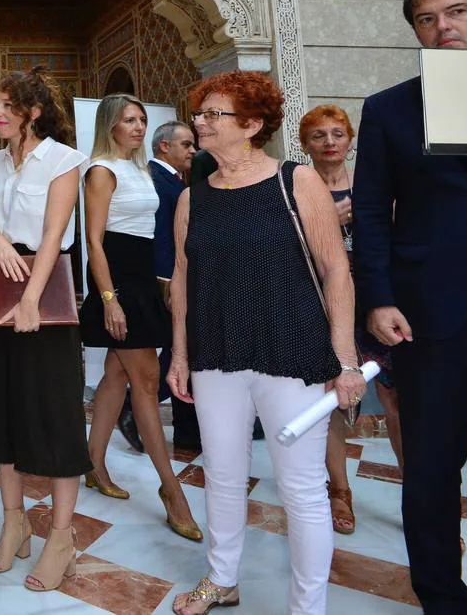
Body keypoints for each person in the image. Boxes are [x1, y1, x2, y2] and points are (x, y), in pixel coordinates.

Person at [167, 71, 365, 615]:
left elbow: (336, 272)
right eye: (200, 113)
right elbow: (184, 280)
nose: (201, 123)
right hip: (216, 353)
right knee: (223, 475)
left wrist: (345, 360)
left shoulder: (296, 182)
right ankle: (221, 579)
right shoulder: (192, 200)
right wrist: (181, 354)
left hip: (293, 349)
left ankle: (308, 607)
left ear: (252, 124)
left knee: (301, 489)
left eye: (214, 115)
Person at [353, 0, 467, 613]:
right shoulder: (389, 109)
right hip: (436, 312)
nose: (445, 28)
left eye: (458, 12)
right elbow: (374, 214)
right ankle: (442, 598)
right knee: (434, 466)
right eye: (428, 20)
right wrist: (379, 297)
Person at [0, 68, 89, 592]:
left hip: (45, 289)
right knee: (0, 408)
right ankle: (14, 520)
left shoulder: (63, 160)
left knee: (56, 411)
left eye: (5, 105)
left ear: (32, 112)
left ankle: (61, 536)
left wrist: (33, 301)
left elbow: (53, 235)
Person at [78, 96, 201, 542]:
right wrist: (109, 300)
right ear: (110, 125)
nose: (137, 126)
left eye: (142, 120)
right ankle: (172, 491)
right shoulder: (101, 170)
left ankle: (92, 463)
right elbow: (94, 242)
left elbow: (152, 229)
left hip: (144, 279)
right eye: (129, 120)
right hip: (120, 282)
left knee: (116, 376)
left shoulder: (142, 169)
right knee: (146, 382)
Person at [300, 104, 401, 537]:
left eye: (337, 134)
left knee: (398, 399)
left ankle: (420, 495)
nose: (329, 143)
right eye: (319, 135)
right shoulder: (297, 191)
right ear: (305, 144)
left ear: (350, 139)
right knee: (333, 401)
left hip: (377, 301)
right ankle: (340, 491)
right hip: (322, 303)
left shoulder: (373, 188)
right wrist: (324, 222)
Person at [149, 120, 201, 453]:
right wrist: (168, 284)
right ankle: (134, 401)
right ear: (164, 146)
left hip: (176, 280)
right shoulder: (160, 183)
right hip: (169, 282)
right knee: (179, 349)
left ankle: (187, 429)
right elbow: (161, 239)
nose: (193, 150)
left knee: (183, 350)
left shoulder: (172, 182)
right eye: (186, 144)